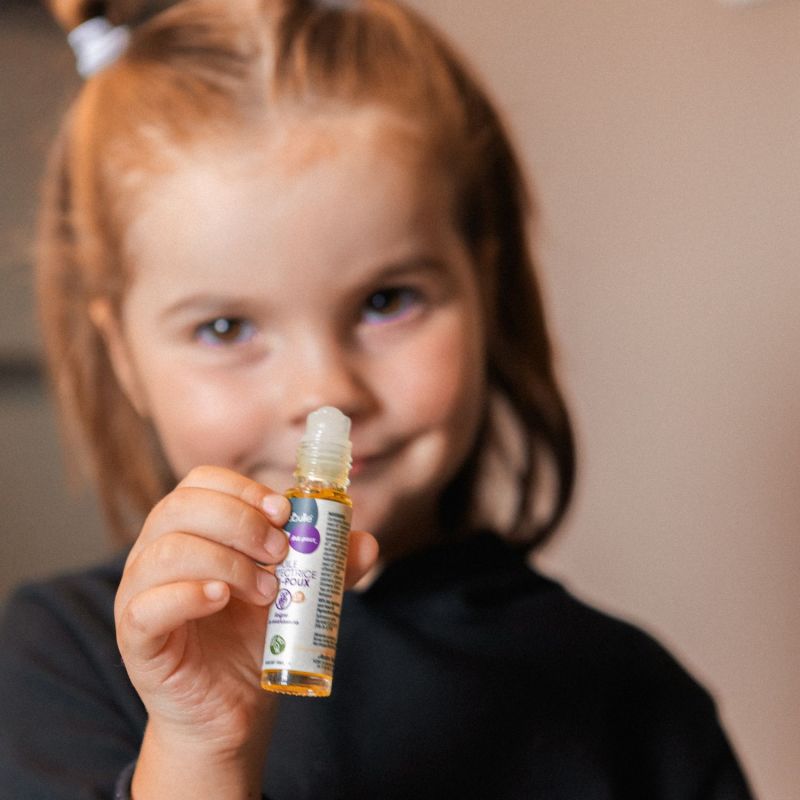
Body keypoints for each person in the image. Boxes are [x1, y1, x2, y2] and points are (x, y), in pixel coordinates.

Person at [0, 1, 754, 798]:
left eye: (387, 300)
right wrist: (201, 746)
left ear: (484, 284)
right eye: (226, 328)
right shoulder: (63, 659)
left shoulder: (632, 697)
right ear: (123, 356)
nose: (325, 389)